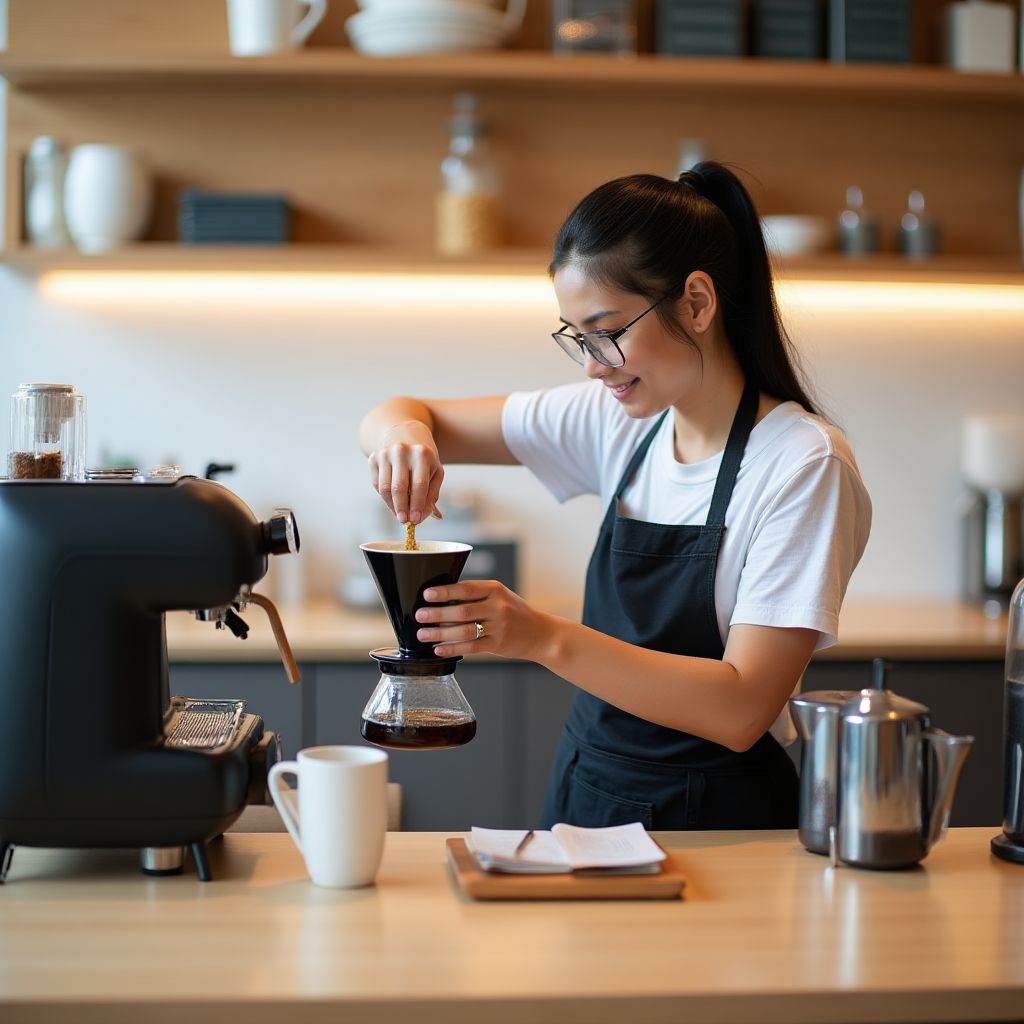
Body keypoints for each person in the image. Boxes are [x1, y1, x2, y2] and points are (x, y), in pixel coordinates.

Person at [359, 162, 872, 830]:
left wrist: (541, 636)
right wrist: (403, 438)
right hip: (586, 792)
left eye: (607, 331)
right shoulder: (620, 418)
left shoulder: (802, 463)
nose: (595, 366)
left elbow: (742, 710)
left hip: (722, 823)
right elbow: (401, 409)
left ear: (696, 302)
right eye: (577, 337)